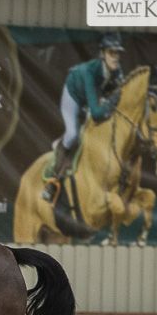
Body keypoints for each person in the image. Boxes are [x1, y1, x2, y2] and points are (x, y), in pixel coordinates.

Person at [44, 32, 125, 202]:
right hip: (74, 96)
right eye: (111, 52)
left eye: (118, 53)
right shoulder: (89, 72)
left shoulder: (117, 71)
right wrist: (112, 100)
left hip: (91, 99)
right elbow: (96, 114)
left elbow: (119, 95)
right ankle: (52, 181)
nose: (115, 57)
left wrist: (114, 100)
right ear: (102, 54)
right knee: (73, 134)